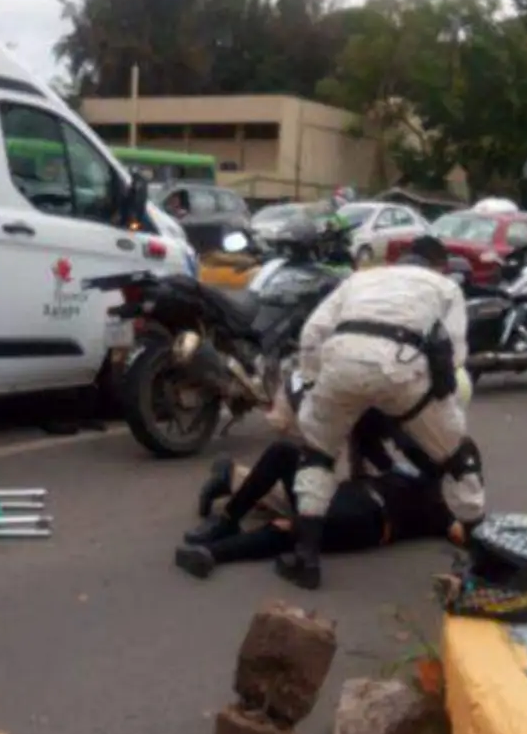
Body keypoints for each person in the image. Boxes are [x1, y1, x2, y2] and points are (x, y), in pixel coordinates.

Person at [281, 235, 484, 590]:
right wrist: (437, 398)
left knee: (317, 456)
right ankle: (481, 557)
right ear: (437, 265)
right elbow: (454, 350)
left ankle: (306, 558)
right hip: (400, 369)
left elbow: (313, 332)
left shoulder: (360, 278)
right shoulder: (445, 286)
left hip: (340, 363)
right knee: (458, 459)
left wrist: (315, 383)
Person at [173, 380, 470, 579]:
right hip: (340, 493)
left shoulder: (439, 495)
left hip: (365, 520)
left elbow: (461, 529)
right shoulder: (402, 455)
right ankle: (228, 520)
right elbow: (370, 442)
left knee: (291, 527)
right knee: (283, 453)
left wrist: (489, 541)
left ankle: (211, 555)